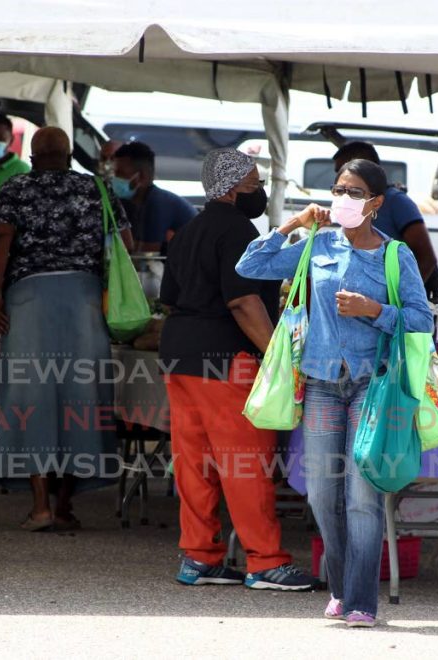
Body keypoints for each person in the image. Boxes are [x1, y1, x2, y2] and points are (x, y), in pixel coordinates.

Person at [238, 158, 434, 627]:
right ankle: (343, 589)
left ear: (376, 203)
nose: (343, 198)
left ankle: (362, 601)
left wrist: (374, 309)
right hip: (323, 382)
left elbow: (421, 320)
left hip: (373, 384)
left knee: (362, 498)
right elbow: (251, 264)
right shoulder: (316, 244)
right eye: (338, 189)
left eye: (355, 191)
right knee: (322, 495)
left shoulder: (394, 255)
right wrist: (296, 222)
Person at [159, 148, 314, 592]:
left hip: (180, 358)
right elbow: (243, 300)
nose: (260, 192)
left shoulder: (189, 229)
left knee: (195, 463)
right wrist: (276, 358)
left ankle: (199, 557)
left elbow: (171, 296)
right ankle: (265, 561)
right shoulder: (237, 229)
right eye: (254, 185)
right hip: (227, 359)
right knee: (245, 463)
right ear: (230, 189)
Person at [0, 126, 131, 531]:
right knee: (80, 398)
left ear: (32, 158)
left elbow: (0, 237)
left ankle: (40, 507)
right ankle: (65, 504)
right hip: (85, 302)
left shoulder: (15, 190)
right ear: (70, 157)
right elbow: (127, 243)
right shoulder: (96, 190)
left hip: (29, 301)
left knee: (30, 397)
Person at [331, 141, 438, 300]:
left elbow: (426, 258)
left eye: (344, 169)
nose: (341, 176)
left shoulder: (397, 202)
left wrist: (399, 300)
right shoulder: (344, 211)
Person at [112, 141, 197, 253]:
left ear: (141, 176)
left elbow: (146, 254)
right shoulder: (140, 202)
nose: (114, 178)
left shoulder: (157, 204)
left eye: (120, 173)